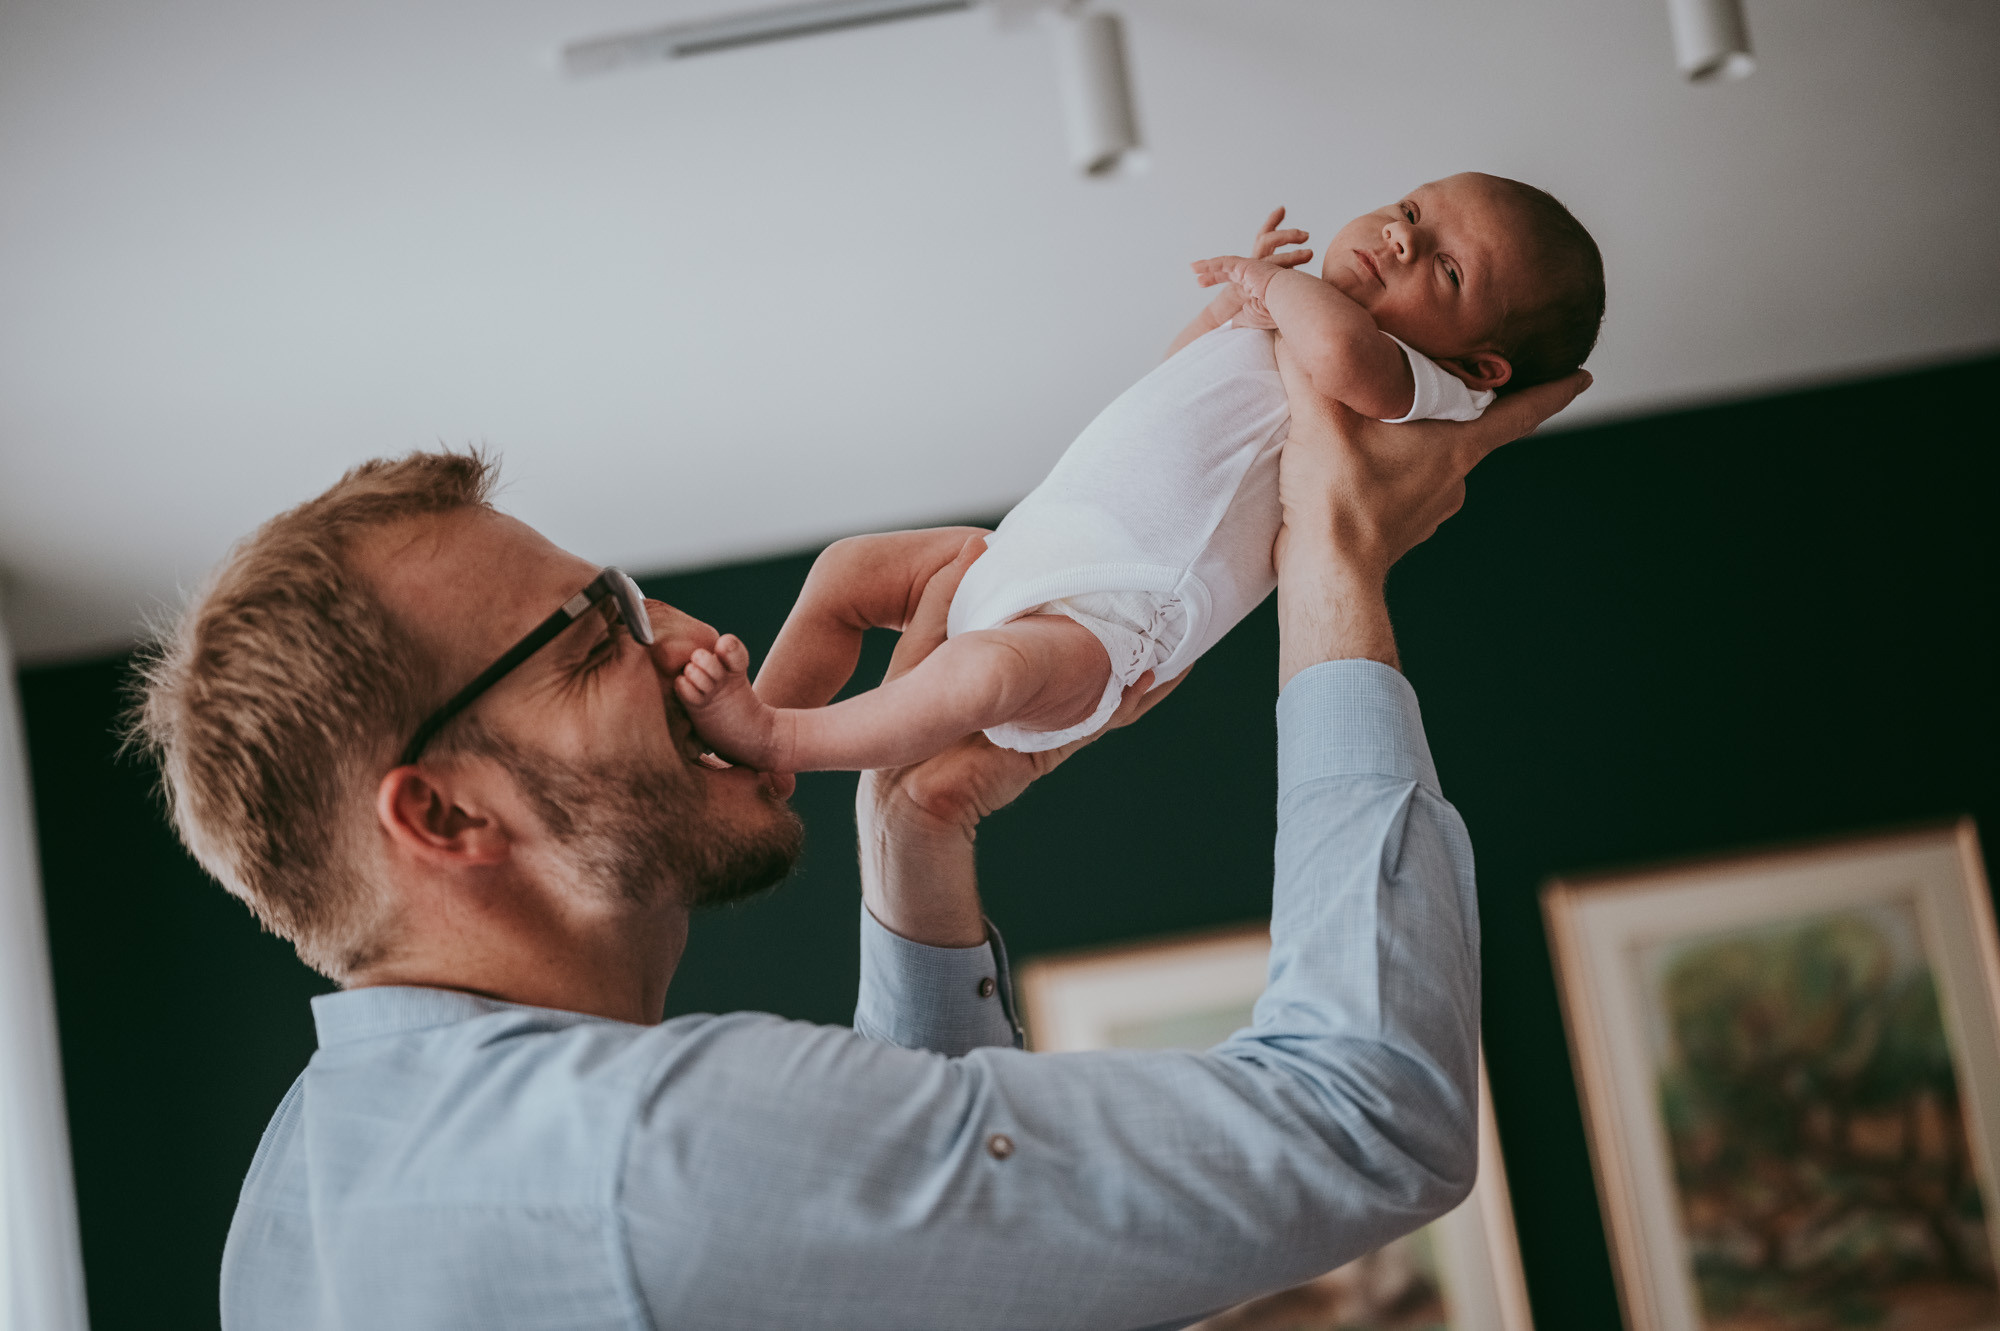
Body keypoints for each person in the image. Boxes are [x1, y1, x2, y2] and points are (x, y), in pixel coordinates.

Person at [132, 341, 1589, 1329]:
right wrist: (1332, 555)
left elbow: (953, 1272)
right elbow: (1366, 1122)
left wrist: (916, 830)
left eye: (635, 598)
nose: (705, 641)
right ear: (444, 812)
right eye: (595, 643)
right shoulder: (648, 1147)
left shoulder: (302, 1187)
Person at [675, 173, 1603, 772]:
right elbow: (1178, 380)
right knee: (846, 569)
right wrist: (1225, 317)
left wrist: (1272, 285)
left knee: (978, 679)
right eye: (1409, 211)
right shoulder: (1296, 323)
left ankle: (777, 738)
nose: (1401, 239)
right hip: (1027, 548)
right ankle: (755, 743)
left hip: (1114, 619)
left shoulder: (1426, 389)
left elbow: (1346, 362)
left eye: (1445, 269)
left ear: (1483, 367)